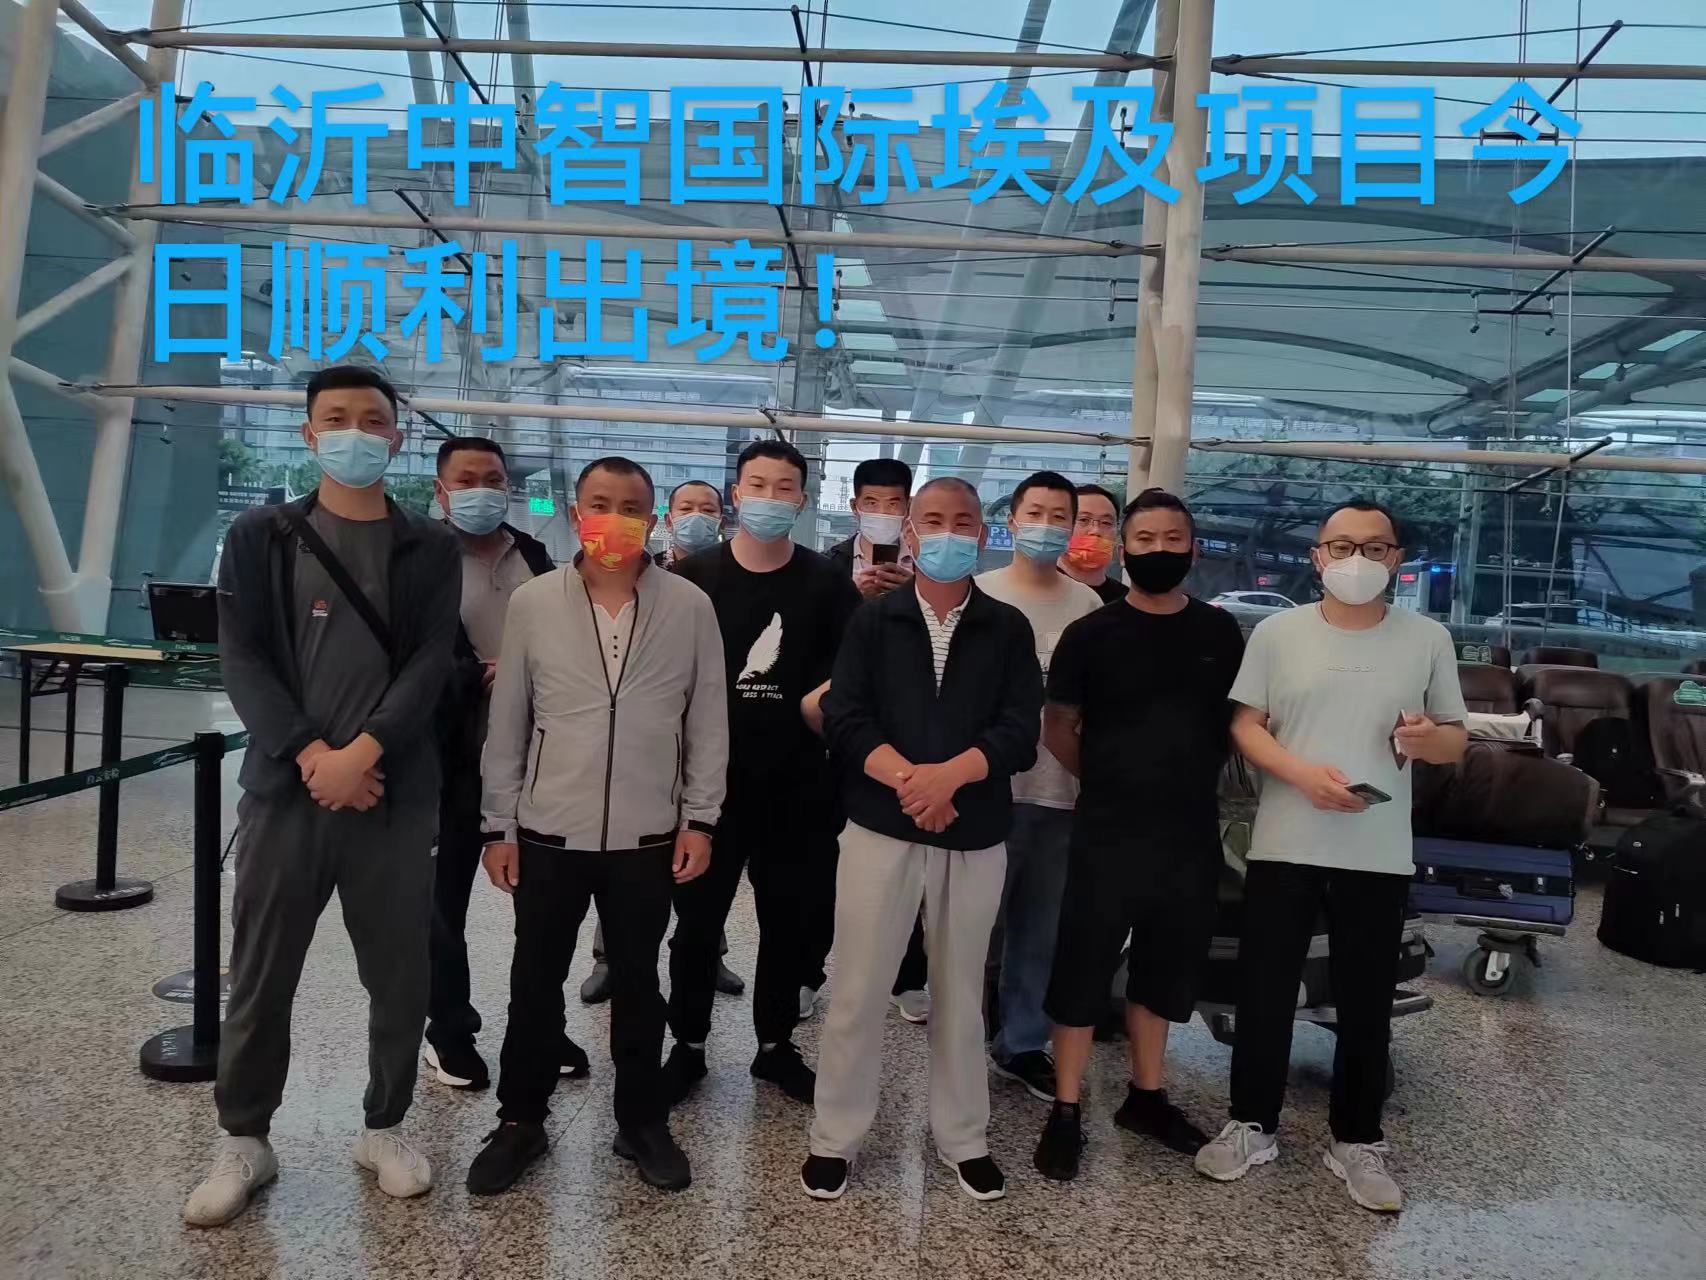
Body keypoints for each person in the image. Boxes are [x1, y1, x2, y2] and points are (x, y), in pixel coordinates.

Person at [184, 365, 461, 1227]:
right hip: (287, 794)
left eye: (372, 420)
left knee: (399, 971)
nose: (354, 433)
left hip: (392, 795)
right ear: (309, 437)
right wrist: (313, 755)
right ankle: (245, 1137)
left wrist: (365, 752)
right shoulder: (261, 536)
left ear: (397, 438)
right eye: (335, 419)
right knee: (262, 971)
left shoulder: (429, 547)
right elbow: (243, 658)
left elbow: (429, 664)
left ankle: (384, 1126)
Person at [1195, 499, 1467, 1213]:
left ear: (1396, 559)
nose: (1357, 559)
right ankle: (1252, 1123)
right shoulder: (1279, 633)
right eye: (1341, 546)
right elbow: (1245, 725)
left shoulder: (1427, 638)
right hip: (1286, 840)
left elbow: (1454, 739)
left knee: (1365, 997)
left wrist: (1425, 738)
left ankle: (1357, 1139)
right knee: (1265, 989)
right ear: (1317, 556)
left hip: (1377, 848)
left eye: (1374, 547)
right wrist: (1300, 774)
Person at [466, 457, 727, 1196]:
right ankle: (521, 1119)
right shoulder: (535, 602)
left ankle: (641, 1120)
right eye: (600, 504)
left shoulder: (689, 606)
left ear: (653, 518)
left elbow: (708, 720)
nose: (615, 518)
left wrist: (700, 819)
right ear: (578, 512)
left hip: (649, 834)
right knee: (534, 979)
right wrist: (498, 825)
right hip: (548, 831)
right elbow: (509, 721)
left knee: (640, 984)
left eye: (631, 506)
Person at [803, 477, 1042, 1203]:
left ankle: (963, 1137)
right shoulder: (876, 621)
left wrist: (950, 781)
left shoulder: (1007, 627)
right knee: (858, 988)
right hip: (882, 826)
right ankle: (835, 1136)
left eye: (962, 522)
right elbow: (846, 717)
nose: (947, 533)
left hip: (974, 831)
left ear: (983, 534)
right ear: (909, 532)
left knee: (961, 993)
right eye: (931, 520)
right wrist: (914, 783)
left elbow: (1019, 731)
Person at [1032, 489, 1245, 1182]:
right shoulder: (1091, 632)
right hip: (1108, 827)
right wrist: (1108, 779)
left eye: (1172, 539)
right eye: (1145, 539)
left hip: (1189, 830)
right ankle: (1066, 1105)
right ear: (1125, 549)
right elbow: (1058, 727)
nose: (1159, 550)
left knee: (1166, 965)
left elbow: (1235, 727)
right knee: (1083, 963)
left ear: (1194, 548)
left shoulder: (1220, 632)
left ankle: (1146, 1097)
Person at [662, 440, 862, 1107]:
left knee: (789, 925)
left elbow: (854, 673)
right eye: (757, 485)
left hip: (799, 786)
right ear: (736, 494)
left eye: (784, 488)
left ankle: (775, 1046)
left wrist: (823, 703)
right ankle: (687, 1045)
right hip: (708, 789)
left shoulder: (827, 584)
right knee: (696, 924)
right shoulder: (693, 578)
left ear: (801, 500)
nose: (769, 498)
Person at [423, 436, 587, 1092]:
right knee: (443, 904)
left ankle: (542, 1025)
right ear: (440, 491)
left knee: (543, 907)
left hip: (530, 758)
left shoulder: (534, 554)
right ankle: (448, 1030)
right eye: (466, 480)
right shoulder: (421, 559)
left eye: (492, 478)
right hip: (450, 759)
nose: (482, 490)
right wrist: (474, 674)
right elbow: (406, 656)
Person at [582, 477, 743, 1005]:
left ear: (721, 519)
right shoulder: (632, 572)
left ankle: (708, 952)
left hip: (696, 729)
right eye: (687, 507)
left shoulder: (723, 577)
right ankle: (608, 958)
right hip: (627, 752)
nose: (698, 516)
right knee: (618, 861)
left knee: (698, 862)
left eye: (708, 509)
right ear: (666, 519)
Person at [973, 471, 1101, 1104]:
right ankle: (960, 1040)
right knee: (973, 928)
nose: (1046, 526)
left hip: (1059, 795)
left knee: (1039, 929)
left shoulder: (1088, 606)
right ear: (1012, 520)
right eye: (1035, 513)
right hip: (985, 792)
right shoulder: (979, 594)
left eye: (1059, 517)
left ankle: (1022, 1045)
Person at [821, 456, 930, 1024]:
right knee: (823, 856)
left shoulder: (932, 568)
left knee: (909, 857)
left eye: (894, 503)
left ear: (908, 508)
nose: (883, 512)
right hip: (840, 730)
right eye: (872, 503)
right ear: (854, 505)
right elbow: (814, 644)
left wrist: (917, 597)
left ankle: (908, 976)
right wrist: (850, 600)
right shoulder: (829, 566)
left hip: (909, 736)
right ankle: (810, 970)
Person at [1058, 483, 1126, 605]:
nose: (1095, 531)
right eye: (1083, 520)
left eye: (1106, 523)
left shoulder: (1126, 601)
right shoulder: (1035, 589)